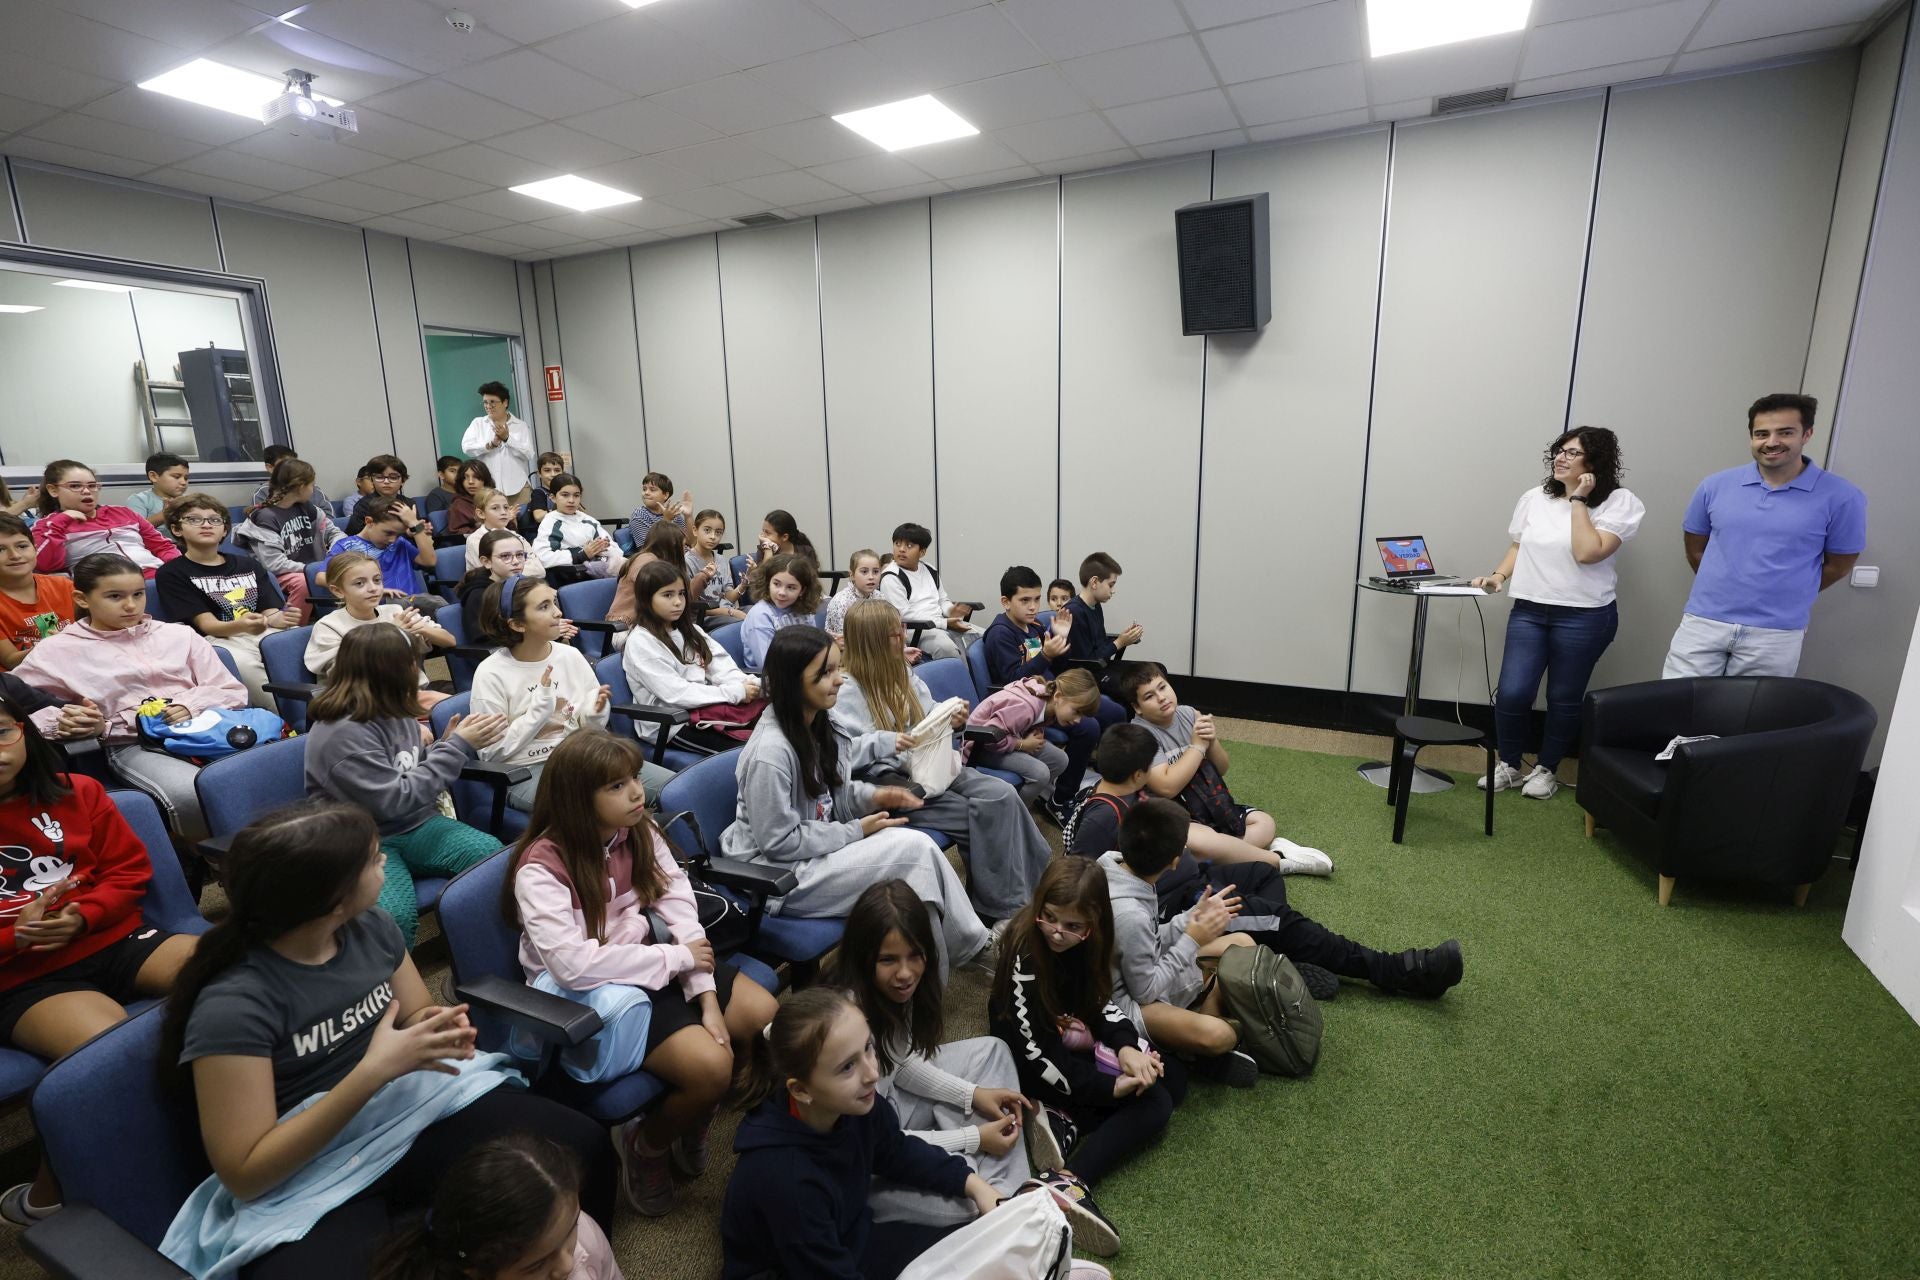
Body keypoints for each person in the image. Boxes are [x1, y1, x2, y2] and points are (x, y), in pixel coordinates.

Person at [158, 800, 615, 1278]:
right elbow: (246, 1173)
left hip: (404, 1106)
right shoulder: (234, 1003)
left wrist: (439, 1029)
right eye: (375, 860)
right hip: (311, 1162)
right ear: (331, 900)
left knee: (582, 1143)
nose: (386, 864)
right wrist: (374, 1071)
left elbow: (416, 1011)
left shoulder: (373, 927)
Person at [505, 730, 778, 1215]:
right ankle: (645, 1147)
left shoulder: (639, 830)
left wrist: (707, 1001)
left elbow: (681, 913)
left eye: (633, 778)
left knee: (763, 1015)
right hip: (602, 991)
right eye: (615, 786)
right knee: (713, 1067)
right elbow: (575, 966)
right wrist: (676, 960)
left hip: (653, 959)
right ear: (576, 799)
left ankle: (691, 1114)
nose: (635, 792)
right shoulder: (541, 868)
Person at [0, 699, 196, 1226]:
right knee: (112, 1054)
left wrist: (84, 916)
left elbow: (129, 873)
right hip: (25, 976)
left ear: (23, 732)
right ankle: (49, 1192)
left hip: (112, 938)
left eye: (1, 734)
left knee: (234, 971)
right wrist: (14, 936)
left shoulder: (78, 792)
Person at [720, 626, 992, 974]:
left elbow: (833, 791)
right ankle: (972, 947)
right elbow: (779, 843)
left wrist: (873, 795)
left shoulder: (818, 724)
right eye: (825, 674)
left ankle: (931, 990)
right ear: (791, 682)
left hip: (817, 849)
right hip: (781, 876)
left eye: (837, 668)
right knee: (916, 854)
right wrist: (855, 830)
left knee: (916, 882)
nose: (838, 681)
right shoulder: (770, 754)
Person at [827, 881, 1090, 1233]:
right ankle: (1006, 1202)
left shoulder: (888, 995)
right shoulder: (845, 1026)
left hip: (892, 1110)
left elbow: (901, 1062)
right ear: (864, 958)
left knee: (994, 1051)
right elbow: (885, 1147)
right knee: (964, 1201)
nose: (905, 973)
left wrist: (972, 1094)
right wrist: (974, 1140)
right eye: (888, 959)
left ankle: (1002, 1193)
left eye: (914, 955)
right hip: (870, 1163)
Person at [721, 987, 1004, 1280]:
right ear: (801, 1090)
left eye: (868, 1048)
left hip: (850, 1235)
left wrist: (974, 1185)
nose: (872, 1074)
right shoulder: (787, 1181)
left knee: (976, 1246)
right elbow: (822, 1269)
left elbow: (896, 1150)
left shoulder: (856, 1105)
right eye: (847, 1067)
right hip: (798, 1266)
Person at [1103, 795, 1463, 1010]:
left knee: (1263, 873)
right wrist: (1193, 931)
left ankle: (1277, 960)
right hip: (1190, 911)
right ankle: (1391, 970)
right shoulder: (1129, 900)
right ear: (1173, 860)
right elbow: (1146, 975)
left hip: (1194, 888)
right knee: (1275, 919)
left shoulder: (1122, 853)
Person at [989, 857, 1180, 1258]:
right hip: (1031, 1060)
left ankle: (1064, 1119)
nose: (1058, 932)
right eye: (1049, 918)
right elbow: (1038, 1055)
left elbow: (1099, 1001)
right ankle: (1068, 1181)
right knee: (1157, 1102)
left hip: (1064, 1040)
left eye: (1072, 926)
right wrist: (1111, 1086)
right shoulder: (1025, 953)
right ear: (1039, 907)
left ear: (1093, 923)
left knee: (1171, 1082)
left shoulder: (1091, 941)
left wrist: (1128, 1048)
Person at [835, 600, 1052, 922]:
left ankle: (1039, 885)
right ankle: (1000, 910)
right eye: (899, 633)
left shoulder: (901, 673)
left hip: (929, 766)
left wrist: (954, 718)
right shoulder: (845, 692)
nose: (906, 636)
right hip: (893, 784)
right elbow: (844, 754)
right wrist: (889, 742)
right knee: (980, 815)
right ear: (877, 641)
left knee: (1002, 795)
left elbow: (929, 712)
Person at [15, 553, 249, 843]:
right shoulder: (55, 652)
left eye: (138, 594)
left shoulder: (178, 635)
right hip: (131, 744)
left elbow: (231, 690)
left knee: (260, 772)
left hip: (208, 726)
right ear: (82, 599)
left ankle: (265, 845)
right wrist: (73, 722)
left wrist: (191, 704)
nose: (131, 605)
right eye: (115, 596)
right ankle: (217, 856)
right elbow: (15, 710)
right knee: (190, 794)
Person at [1470, 427, 1646, 799]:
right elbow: (1519, 545)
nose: (1560, 458)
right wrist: (1499, 575)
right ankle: (1511, 765)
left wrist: (1579, 500)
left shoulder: (1619, 501)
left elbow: (1588, 552)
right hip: (1530, 610)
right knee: (1513, 693)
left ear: (1594, 461)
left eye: (1571, 452)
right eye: (1558, 451)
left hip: (1585, 616)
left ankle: (1548, 769)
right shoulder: (1535, 497)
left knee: (1564, 696)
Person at [303, 625, 507, 943]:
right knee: (392, 918)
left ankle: (482, 959)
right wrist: (455, 748)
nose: (419, 669)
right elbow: (395, 799)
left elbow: (410, 774)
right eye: (414, 662)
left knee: (490, 857)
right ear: (394, 670)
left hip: (416, 823)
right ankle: (391, 991)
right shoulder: (342, 733)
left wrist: (442, 746)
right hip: (364, 841)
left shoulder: (393, 710)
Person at [1663, 392, 1868, 680]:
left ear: (1807, 434)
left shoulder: (1842, 497)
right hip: (1703, 623)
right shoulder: (1715, 486)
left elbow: (1840, 564)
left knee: (1751, 721)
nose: (1772, 442)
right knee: (1678, 710)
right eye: (1762, 433)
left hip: (1776, 634)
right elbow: (1696, 547)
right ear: (1752, 437)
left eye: (1785, 432)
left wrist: (1788, 591)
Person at [1118, 662, 1321, 872]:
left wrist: (1212, 741)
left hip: (1206, 805)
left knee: (1265, 824)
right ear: (1137, 707)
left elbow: (1222, 768)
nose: (1161, 697)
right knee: (1201, 843)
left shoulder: (1189, 714)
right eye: (1149, 696)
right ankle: (1278, 860)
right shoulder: (1140, 735)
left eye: (1163, 687)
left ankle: (1223, 853)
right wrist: (1197, 746)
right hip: (1167, 814)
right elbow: (1167, 788)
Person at [1066, 723, 1330, 877]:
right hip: (1138, 867)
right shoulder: (1103, 816)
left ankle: (1269, 856)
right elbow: (1077, 872)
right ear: (1137, 775)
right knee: (1197, 856)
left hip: (1148, 845)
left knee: (1209, 840)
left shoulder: (1119, 788)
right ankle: (1276, 861)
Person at [372, 1134, 622, 1280]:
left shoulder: (583, 1233)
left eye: (571, 1228)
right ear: (475, 1271)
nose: (567, 1265)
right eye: (536, 1265)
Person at [470, 575, 613, 812]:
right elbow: (491, 753)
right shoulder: (490, 673)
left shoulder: (570, 656)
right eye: (544, 607)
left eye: (554, 602)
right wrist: (541, 708)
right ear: (517, 624)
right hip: (525, 770)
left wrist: (594, 715)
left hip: (579, 756)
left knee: (653, 787)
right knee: (601, 804)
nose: (557, 612)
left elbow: (590, 729)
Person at [156, 495, 300, 710]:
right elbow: (208, 626)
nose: (206, 524)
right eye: (194, 520)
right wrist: (244, 625)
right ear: (177, 529)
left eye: (214, 520)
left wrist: (282, 618)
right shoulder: (172, 573)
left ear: (224, 530)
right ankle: (293, 717)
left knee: (298, 642)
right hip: (217, 640)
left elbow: (270, 613)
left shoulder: (247, 564)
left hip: (259, 629)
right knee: (242, 662)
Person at [980, 566, 1094, 824]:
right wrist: (1046, 655)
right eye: (1025, 600)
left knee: (1098, 714)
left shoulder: (1032, 628)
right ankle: (1038, 807)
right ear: (1005, 602)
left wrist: (1060, 642)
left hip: (1039, 698)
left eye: (1036, 599)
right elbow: (1013, 681)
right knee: (1089, 727)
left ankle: (1056, 795)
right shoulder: (1000, 634)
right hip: (1015, 708)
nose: (1033, 607)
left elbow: (1056, 668)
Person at [620, 560, 762, 756]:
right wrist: (734, 692)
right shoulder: (641, 642)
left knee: (778, 727)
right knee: (753, 752)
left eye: (681, 593)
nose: (678, 602)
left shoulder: (690, 630)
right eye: (667, 595)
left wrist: (750, 684)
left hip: (706, 707)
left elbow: (720, 665)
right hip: (672, 723)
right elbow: (676, 694)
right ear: (646, 599)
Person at [306, 549, 455, 709]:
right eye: (359, 583)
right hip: (365, 703)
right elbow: (345, 673)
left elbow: (449, 640)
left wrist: (423, 629)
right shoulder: (329, 626)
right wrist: (391, 633)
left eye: (377, 580)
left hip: (410, 693)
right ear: (338, 591)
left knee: (465, 708)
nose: (373, 588)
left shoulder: (395, 612)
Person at [963, 669, 1097, 811]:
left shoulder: (1049, 702)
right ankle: (1012, 816)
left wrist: (1035, 732)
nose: (1077, 720)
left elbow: (1030, 721)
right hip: (979, 745)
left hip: (1010, 737)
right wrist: (1022, 745)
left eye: (1082, 715)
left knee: (1060, 760)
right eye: (1076, 711)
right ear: (1058, 696)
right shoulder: (1025, 707)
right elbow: (991, 737)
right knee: (1040, 774)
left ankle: (1025, 797)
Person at [235, 456, 344, 624]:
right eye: (312, 485)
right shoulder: (264, 518)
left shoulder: (309, 509)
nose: (314, 489)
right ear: (301, 487)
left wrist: (337, 550)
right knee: (304, 582)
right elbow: (274, 564)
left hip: (313, 568)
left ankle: (339, 622)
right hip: (281, 574)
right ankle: (293, 629)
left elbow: (334, 532)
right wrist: (314, 570)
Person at [32, 459, 179, 578]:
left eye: (92, 485)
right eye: (75, 486)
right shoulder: (48, 525)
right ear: (53, 490)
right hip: (106, 587)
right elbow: (44, 565)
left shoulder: (123, 513)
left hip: (158, 576)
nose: (86, 491)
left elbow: (162, 546)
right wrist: (61, 520)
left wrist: (178, 567)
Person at [878, 523, 976, 660]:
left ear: (922, 552)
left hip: (939, 623)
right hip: (915, 631)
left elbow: (942, 599)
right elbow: (903, 615)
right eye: (897, 544)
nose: (901, 549)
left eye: (909, 546)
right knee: (946, 648)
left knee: (980, 637)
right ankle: (962, 681)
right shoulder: (891, 577)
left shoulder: (929, 569)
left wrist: (950, 611)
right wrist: (944, 623)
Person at [334, 494, 445, 612]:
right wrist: (374, 590)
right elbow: (323, 577)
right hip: (378, 609)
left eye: (398, 534)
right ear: (369, 522)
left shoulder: (400, 542)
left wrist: (416, 525)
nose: (393, 540)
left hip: (413, 606)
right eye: (388, 533)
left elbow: (429, 560)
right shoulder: (345, 546)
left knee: (442, 608)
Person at [0, 513, 75, 670]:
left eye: (22, 546)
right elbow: (10, 660)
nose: (15, 555)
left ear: (34, 549)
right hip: (24, 681)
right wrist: (52, 646)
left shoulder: (64, 586)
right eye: (1, 550)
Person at [533, 474, 622, 585]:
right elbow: (543, 557)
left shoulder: (588, 520)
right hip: (571, 578)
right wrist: (582, 555)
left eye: (576, 495)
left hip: (601, 570)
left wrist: (600, 549)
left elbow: (616, 549)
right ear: (553, 497)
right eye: (565, 495)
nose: (571, 500)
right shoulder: (550, 522)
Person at [458, 529, 543, 644]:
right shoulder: (478, 595)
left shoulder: (523, 585)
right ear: (486, 562)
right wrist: (536, 634)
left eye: (519, 555)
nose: (516, 561)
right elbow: (484, 641)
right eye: (505, 556)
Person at [1063, 553, 1144, 672]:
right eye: (1110, 585)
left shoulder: (1095, 605)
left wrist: (1126, 637)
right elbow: (1087, 662)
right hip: (1084, 677)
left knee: (1158, 669)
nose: (1113, 591)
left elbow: (1100, 645)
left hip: (1099, 668)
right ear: (1094, 582)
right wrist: (1119, 642)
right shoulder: (1074, 612)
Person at [609, 519, 692, 634]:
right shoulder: (645, 560)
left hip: (651, 623)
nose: (685, 550)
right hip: (624, 627)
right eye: (682, 546)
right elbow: (653, 595)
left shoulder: (662, 562)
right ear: (671, 545)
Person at [741, 553, 821, 670]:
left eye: (791, 587)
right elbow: (768, 664)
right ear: (768, 583)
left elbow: (813, 646)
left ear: (802, 591)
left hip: (803, 668)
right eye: (776, 584)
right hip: (775, 677)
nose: (782, 592)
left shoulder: (803, 609)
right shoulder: (760, 615)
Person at [463, 380, 536, 504]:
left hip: (518, 488)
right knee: (492, 522)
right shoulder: (478, 423)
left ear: (505, 402)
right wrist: (490, 445)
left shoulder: (520, 426)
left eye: (493, 402)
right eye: (485, 402)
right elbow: (467, 448)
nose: (488, 406)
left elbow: (529, 454)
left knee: (520, 522)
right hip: (488, 489)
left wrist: (508, 439)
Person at [465, 487, 544, 583]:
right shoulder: (475, 540)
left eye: (506, 507)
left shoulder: (516, 536)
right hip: (492, 591)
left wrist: (507, 571)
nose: (503, 512)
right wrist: (522, 568)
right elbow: (490, 575)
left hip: (523, 585)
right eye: (495, 508)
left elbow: (539, 570)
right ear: (481, 513)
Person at [686, 508, 746, 625]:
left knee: (757, 613)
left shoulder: (722, 560)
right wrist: (730, 612)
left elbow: (729, 598)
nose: (713, 536)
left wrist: (744, 584)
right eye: (707, 530)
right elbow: (692, 606)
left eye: (718, 532)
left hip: (727, 611)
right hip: (704, 617)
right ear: (695, 530)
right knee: (741, 622)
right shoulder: (687, 561)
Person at [745, 509, 818, 591]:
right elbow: (763, 584)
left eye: (767, 533)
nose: (762, 536)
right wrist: (768, 551)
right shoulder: (764, 551)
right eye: (763, 531)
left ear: (784, 537)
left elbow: (811, 584)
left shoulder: (806, 552)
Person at [345, 456, 414, 536]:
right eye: (379, 477)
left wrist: (414, 529)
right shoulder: (363, 505)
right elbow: (355, 537)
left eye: (393, 477)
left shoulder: (410, 503)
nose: (386, 481)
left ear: (403, 480)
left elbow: (420, 527)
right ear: (372, 480)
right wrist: (405, 532)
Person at [251, 445, 332, 512]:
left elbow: (329, 517)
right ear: (270, 467)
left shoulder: (309, 488)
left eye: (294, 465)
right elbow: (260, 521)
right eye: (283, 466)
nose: (291, 469)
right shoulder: (262, 493)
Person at [825, 548, 883, 639]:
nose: (871, 577)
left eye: (876, 571)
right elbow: (843, 641)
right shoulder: (841, 602)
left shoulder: (880, 597)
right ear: (852, 575)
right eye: (864, 572)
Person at [626, 470, 692, 548]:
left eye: (652, 489)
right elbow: (648, 550)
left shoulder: (672, 513)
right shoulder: (639, 514)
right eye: (644, 489)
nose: (646, 492)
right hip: (662, 558)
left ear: (665, 495)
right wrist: (666, 520)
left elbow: (690, 542)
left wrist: (688, 517)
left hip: (684, 556)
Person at [129, 451, 190, 525]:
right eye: (176, 477)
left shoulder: (189, 501)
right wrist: (164, 515)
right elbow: (135, 529)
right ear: (153, 476)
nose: (183, 482)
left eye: (186, 478)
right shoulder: (139, 500)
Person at [447, 459, 494, 539]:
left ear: (485, 479)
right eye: (465, 477)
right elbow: (459, 535)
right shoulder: (459, 505)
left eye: (476, 477)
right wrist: (488, 528)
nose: (470, 481)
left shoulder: (494, 498)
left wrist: (511, 520)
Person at [525, 451, 567, 530]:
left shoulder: (567, 491)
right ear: (539, 474)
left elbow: (581, 513)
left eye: (557, 470)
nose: (553, 474)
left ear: (563, 472)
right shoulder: (538, 493)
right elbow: (538, 517)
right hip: (548, 532)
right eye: (547, 470)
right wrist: (560, 508)